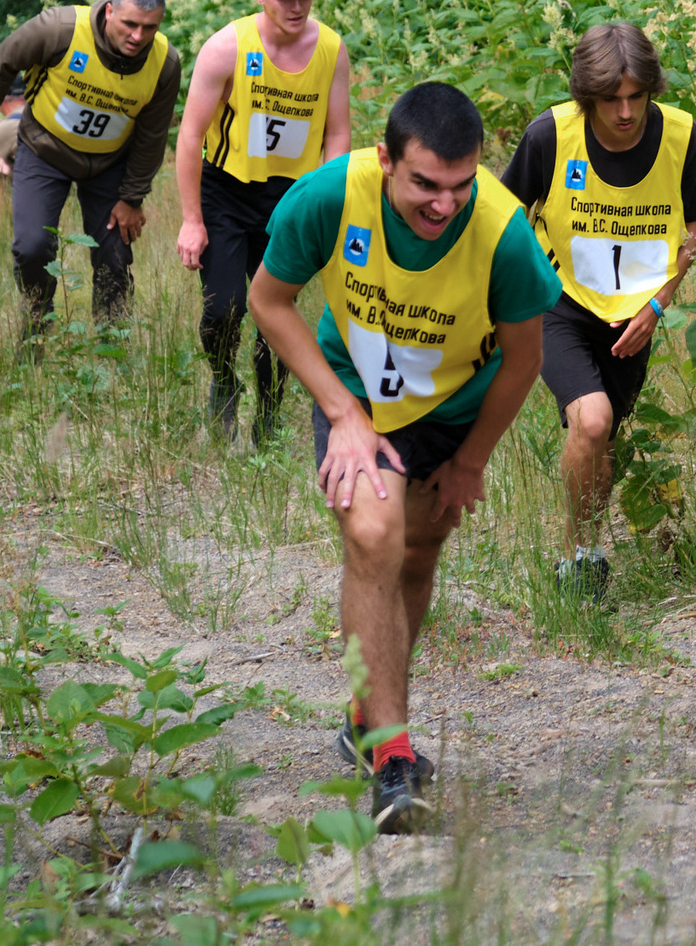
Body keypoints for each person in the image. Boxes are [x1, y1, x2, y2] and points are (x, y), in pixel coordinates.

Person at [247, 82, 557, 832]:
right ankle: (392, 755)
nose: (444, 203)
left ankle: (364, 716)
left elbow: (523, 358)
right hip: (356, 389)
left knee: (417, 555)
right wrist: (341, 411)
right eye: (424, 183)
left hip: (453, 409)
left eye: (460, 185)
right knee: (375, 534)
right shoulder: (329, 196)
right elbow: (269, 299)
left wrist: (473, 459)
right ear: (385, 159)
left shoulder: (505, 232)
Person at [499, 22, 696, 598]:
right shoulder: (551, 134)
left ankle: (591, 549)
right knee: (591, 420)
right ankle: (578, 558)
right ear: (586, 95)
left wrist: (661, 301)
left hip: (636, 316)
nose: (625, 112)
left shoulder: (681, 136)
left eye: (636, 97)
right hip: (560, 302)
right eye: (610, 99)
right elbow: (501, 215)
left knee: (604, 437)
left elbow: (693, 224)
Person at [175, 0, 353, 444]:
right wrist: (192, 219)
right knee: (223, 307)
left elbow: (337, 133)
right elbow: (189, 137)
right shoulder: (227, 48)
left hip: (290, 199)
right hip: (226, 193)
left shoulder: (331, 50)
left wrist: (324, 200)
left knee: (276, 312)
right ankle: (223, 378)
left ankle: (269, 416)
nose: (296, 6)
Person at [0, 0, 180, 327]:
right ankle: (37, 325)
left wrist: (133, 197)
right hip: (43, 150)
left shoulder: (164, 63)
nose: (138, 36)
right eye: (130, 24)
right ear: (110, 11)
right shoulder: (61, 28)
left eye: (149, 27)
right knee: (32, 247)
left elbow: (152, 135)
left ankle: (113, 345)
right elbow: (4, 61)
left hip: (111, 163)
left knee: (114, 254)